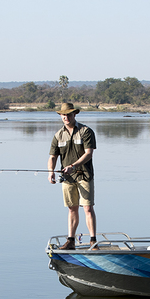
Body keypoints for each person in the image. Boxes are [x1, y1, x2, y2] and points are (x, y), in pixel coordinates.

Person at [48, 103, 97, 250]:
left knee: (87, 208)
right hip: (67, 178)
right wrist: (51, 171)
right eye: (63, 115)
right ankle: (70, 240)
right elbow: (52, 156)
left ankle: (93, 241)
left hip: (84, 175)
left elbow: (88, 153)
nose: (66, 117)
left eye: (69, 114)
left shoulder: (85, 131)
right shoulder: (58, 135)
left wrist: (73, 166)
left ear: (74, 114)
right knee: (72, 209)